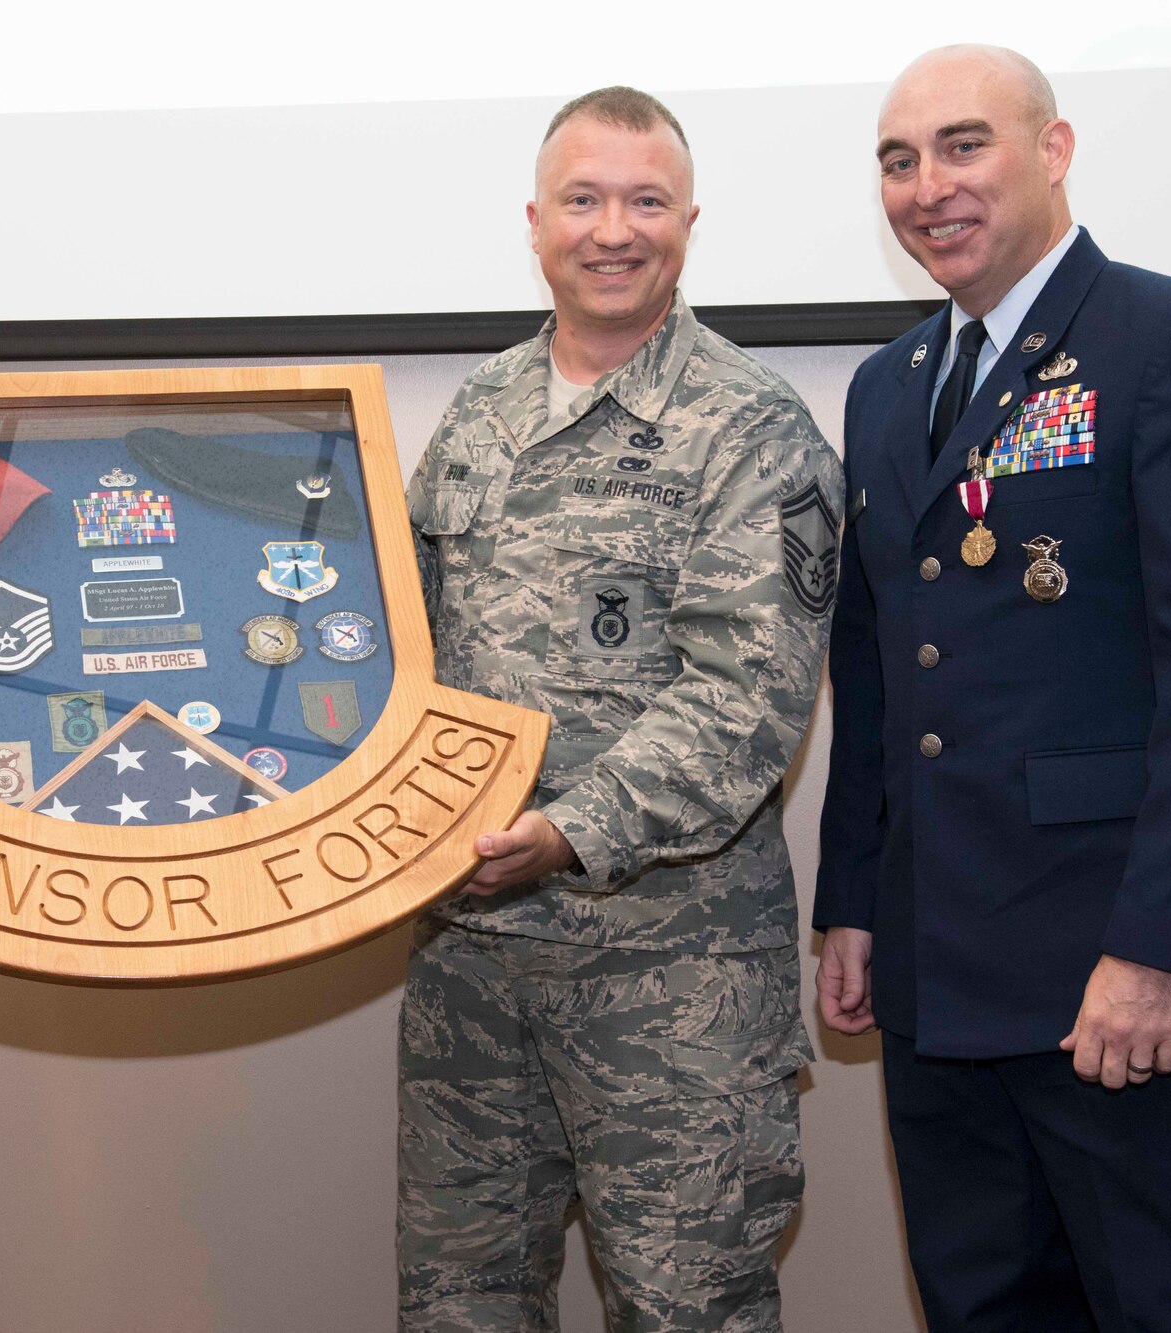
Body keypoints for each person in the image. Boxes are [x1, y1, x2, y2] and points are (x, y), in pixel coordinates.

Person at [813, 45, 1171, 1332]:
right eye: (896, 159)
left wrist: (1160, 950)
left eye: (963, 144)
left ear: (1053, 149)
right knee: (978, 1307)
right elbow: (873, 671)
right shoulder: (885, 388)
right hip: (937, 971)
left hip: (1112, 974)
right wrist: (857, 904)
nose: (927, 185)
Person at [399, 86, 842, 1330]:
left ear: (688, 222)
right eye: (583, 200)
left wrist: (560, 834)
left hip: (671, 980)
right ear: (534, 223)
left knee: (684, 1309)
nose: (613, 229)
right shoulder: (477, 415)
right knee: (456, 1304)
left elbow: (746, 703)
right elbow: (398, 661)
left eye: (645, 201)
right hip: (468, 971)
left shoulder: (751, 427)